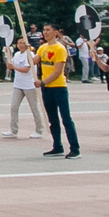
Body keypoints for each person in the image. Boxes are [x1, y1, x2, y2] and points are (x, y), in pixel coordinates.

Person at [36, 29, 80, 157]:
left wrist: (42, 82)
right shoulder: (42, 47)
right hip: (47, 89)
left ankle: (75, 149)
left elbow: (57, 71)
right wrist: (27, 51)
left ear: (55, 32)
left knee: (66, 118)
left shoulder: (60, 48)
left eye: (48, 30)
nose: (45, 32)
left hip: (58, 87)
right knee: (52, 119)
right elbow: (34, 60)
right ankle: (57, 146)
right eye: (44, 30)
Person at [4, 28, 44, 138]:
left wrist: (14, 67)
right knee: (13, 107)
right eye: (19, 43)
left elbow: (26, 69)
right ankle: (13, 130)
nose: (21, 45)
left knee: (34, 108)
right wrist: (8, 56)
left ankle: (39, 130)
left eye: (23, 43)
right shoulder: (17, 54)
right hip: (18, 85)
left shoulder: (30, 55)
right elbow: (9, 66)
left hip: (29, 85)